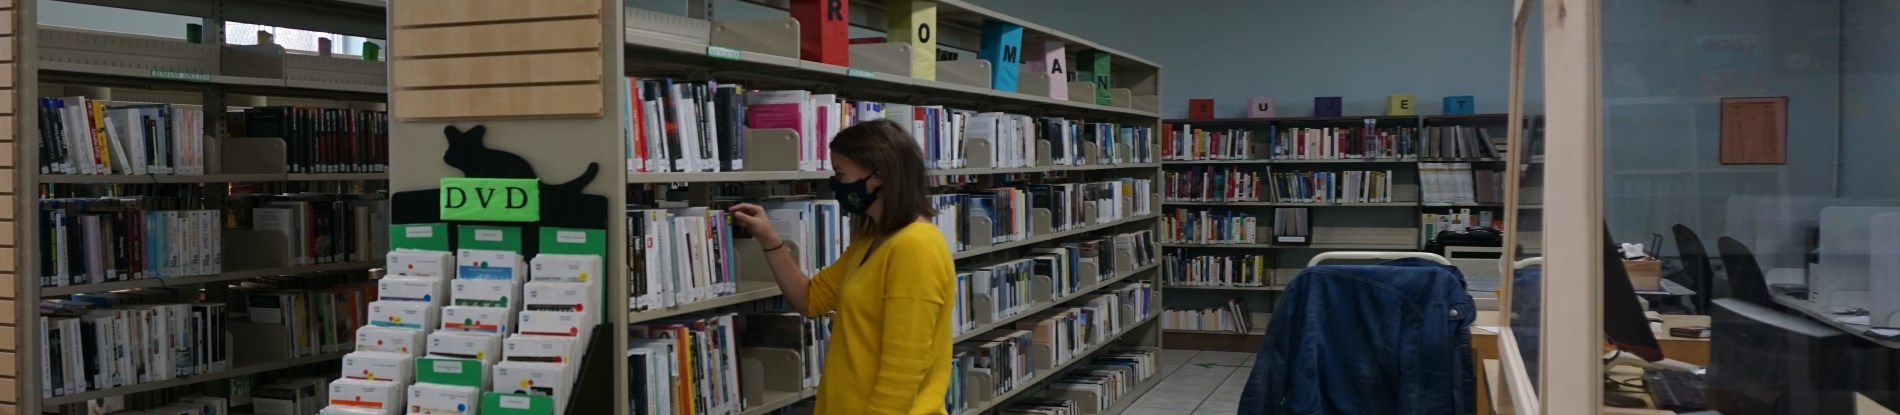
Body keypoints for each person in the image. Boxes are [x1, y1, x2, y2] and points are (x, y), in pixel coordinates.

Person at [727, 119, 957, 415]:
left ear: (878, 177)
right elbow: (811, 300)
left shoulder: (916, 247)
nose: (835, 184)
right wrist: (769, 239)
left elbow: (903, 370)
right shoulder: (872, 238)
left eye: (840, 174)